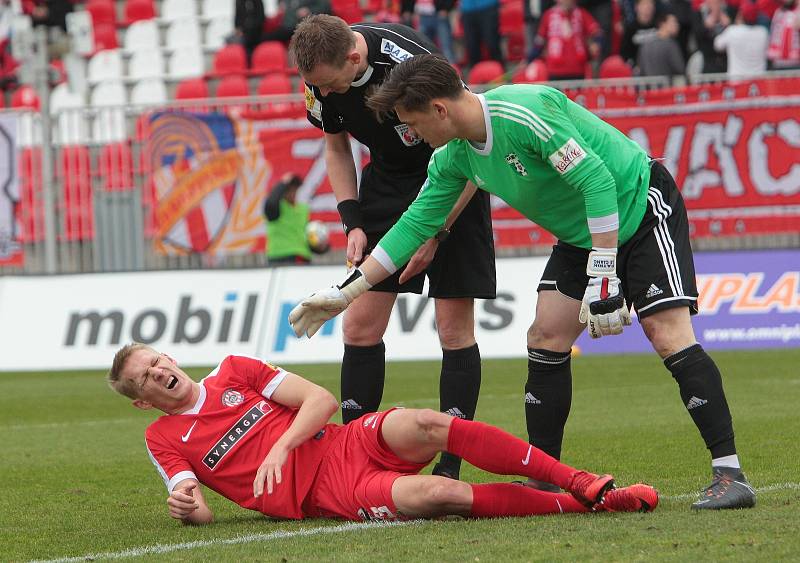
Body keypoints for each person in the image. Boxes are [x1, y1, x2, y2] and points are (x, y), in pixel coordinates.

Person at [288, 53, 757, 511]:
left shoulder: (523, 112)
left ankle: (729, 473)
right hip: (581, 235)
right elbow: (413, 227)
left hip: (639, 207)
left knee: (667, 334)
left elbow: (596, 181)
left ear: (439, 109)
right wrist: (346, 292)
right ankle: (546, 476)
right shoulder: (454, 157)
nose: (410, 136)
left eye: (412, 124)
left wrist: (604, 272)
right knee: (546, 337)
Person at [107, 342, 659, 523]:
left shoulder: (234, 371)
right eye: (144, 378)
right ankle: (582, 505)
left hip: (344, 440)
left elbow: (320, 402)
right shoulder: (162, 439)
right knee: (440, 494)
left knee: (431, 423)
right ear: (140, 402)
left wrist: (280, 443)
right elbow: (196, 507)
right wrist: (187, 507)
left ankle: (582, 480)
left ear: (169, 356)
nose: (157, 372)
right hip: (329, 493)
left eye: (155, 361)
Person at [288, 15, 497, 481]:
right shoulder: (320, 79)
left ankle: (450, 463)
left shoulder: (414, 61)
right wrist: (352, 221)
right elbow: (337, 147)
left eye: (329, 85)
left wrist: (437, 232)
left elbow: (470, 144)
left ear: (355, 58)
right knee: (359, 326)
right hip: (385, 185)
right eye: (314, 87)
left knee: (453, 330)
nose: (324, 94)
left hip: (454, 178)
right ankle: (354, 462)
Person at [531, 0, 602, 80]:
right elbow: (539, 42)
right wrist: (529, 60)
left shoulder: (581, 14)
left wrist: (595, 44)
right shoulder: (549, 15)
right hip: (554, 69)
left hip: (578, 69)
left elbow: (596, 32)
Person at [263, 172, 312, 265]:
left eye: (294, 189)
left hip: (300, 255)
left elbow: (308, 235)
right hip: (278, 255)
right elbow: (270, 203)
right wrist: (283, 183)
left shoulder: (304, 209)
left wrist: (321, 247)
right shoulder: (276, 208)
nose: (292, 193)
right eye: (288, 190)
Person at [713, 1, 769, 77]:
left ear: (741, 16)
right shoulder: (763, 32)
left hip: (737, 81)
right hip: (758, 81)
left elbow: (717, 45)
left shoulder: (733, 31)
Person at [637, 12, 685, 77]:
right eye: (673, 22)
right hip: (668, 85)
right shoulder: (671, 44)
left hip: (649, 85)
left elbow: (641, 68)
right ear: (662, 24)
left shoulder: (645, 45)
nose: (677, 25)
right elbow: (679, 68)